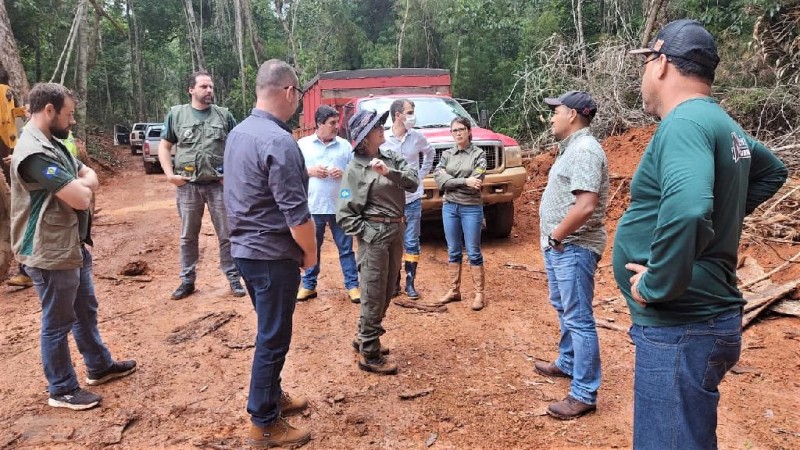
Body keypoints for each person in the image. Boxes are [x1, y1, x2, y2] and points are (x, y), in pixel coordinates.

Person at [614, 19, 788, 449]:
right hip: (703, 320)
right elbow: (773, 172)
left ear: (661, 65)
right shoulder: (719, 121)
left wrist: (659, 283)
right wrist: (723, 215)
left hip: (682, 324)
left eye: (646, 64)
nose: (644, 76)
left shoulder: (684, 123)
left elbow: (691, 209)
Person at [9, 83, 136, 410]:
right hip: (49, 251)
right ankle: (62, 388)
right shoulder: (33, 153)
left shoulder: (54, 143)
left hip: (71, 245)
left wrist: (80, 183)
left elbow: (87, 175)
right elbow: (81, 197)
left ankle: (99, 366)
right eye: (69, 114)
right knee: (57, 322)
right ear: (49, 110)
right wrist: (81, 186)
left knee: (84, 310)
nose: (73, 121)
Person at [223, 59, 315, 448]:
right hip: (272, 254)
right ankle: (264, 422)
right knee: (273, 336)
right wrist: (311, 255)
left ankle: (272, 395)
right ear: (290, 92)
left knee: (269, 329)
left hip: (245, 251)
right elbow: (296, 215)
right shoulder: (280, 142)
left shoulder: (238, 133)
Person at [536, 91, 608, 420]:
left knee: (578, 318)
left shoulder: (585, 150)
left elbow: (586, 205)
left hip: (573, 247)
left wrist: (556, 235)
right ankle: (567, 362)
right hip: (562, 246)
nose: (552, 116)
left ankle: (583, 394)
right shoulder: (572, 148)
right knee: (564, 308)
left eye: (557, 111)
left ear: (573, 115)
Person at [337, 109, 419, 375]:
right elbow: (345, 214)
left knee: (386, 292)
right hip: (375, 238)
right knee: (373, 293)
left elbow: (413, 182)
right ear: (363, 138)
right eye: (376, 127)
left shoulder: (390, 157)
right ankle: (369, 354)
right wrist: (369, 233)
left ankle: (364, 337)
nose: (381, 128)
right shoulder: (355, 169)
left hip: (395, 232)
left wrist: (389, 172)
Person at [158, 70, 245, 300]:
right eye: (204, 87)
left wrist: (233, 174)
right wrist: (169, 175)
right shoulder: (176, 115)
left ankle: (233, 277)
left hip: (219, 185)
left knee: (227, 234)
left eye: (211, 87)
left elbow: (237, 146)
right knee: (188, 235)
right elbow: (164, 147)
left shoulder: (223, 115)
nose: (209, 91)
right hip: (188, 186)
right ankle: (187, 280)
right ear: (191, 90)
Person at [296, 105, 360, 303]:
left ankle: (352, 286)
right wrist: (310, 171)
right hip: (313, 207)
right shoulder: (303, 145)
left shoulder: (345, 146)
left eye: (337, 122)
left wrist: (344, 174)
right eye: (332, 123)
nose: (336, 126)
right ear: (319, 123)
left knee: (346, 249)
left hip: (339, 208)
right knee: (311, 249)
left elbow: (356, 173)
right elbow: (292, 172)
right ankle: (308, 285)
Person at [381, 99, 435, 299]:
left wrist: (419, 177)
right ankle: (393, 283)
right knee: (392, 240)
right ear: (398, 115)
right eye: (410, 112)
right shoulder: (383, 139)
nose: (413, 116)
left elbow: (430, 154)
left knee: (412, 241)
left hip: (412, 198)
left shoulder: (417, 137)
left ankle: (410, 283)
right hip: (390, 200)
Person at [434, 117, 487, 311]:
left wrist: (452, 181)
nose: (458, 133)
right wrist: (464, 182)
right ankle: (454, 290)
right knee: (453, 249)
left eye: (461, 129)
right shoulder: (447, 154)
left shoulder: (479, 154)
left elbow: (477, 182)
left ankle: (479, 293)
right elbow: (440, 179)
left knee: (473, 250)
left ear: (469, 131)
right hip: (450, 207)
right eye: (454, 130)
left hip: (471, 207)